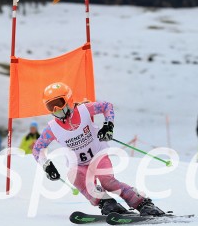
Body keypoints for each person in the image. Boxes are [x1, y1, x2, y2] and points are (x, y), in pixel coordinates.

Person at [32, 82, 166, 216]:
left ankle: (142, 203)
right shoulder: (52, 129)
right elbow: (37, 149)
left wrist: (108, 125)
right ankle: (107, 203)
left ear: (69, 100)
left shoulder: (84, 110)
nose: (56, 109)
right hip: (79, 164)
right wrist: (46, 165)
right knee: (75, 177)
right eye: (50, 106)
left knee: (108, 182)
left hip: (98, 156)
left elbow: (107, 106)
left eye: (59, 103)